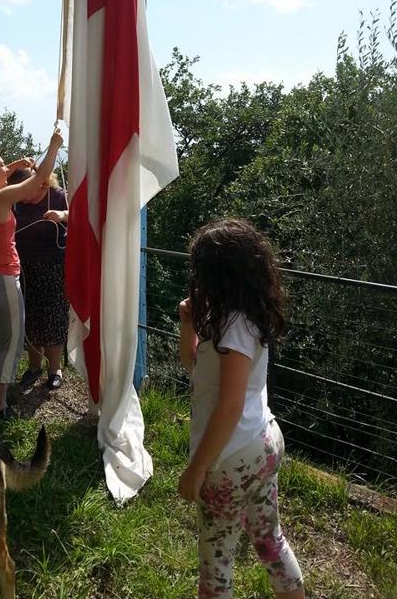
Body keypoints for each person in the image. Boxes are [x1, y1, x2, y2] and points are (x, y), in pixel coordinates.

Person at [177, 219, 304, 599]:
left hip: (231, 457)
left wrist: (197, 469)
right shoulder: (239, 316)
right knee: (269, 539)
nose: (195, 278)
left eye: (200, 270)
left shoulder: (233, 326)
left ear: (219, 273)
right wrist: (188, 325)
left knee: (216, 565)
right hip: (261, 443)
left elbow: (229, 406)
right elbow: (195, 367)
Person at [0, 131, 63, 418]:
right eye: (0, 163)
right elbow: (40, 176)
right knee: (11, 344)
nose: (5, 166)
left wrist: (18, 163)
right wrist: (53, 146)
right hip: (4, 278)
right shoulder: (1, 198)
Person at [8, 168, 69, 389]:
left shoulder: (58, 195)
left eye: (25, 190)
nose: (21, 195)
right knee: (30, 316)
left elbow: (79, 214)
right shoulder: (15, 200)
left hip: (54, 265)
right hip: (24, 266)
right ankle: (34, 367)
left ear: (39, 183)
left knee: (54, 317)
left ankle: (55, 369)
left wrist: (62, 215)